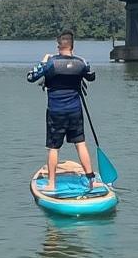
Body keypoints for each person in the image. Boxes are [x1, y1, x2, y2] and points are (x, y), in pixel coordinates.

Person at [26, 31, 100, 195]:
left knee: (53, 148)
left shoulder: (51, 63)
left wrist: (43, 61)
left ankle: (52, 184)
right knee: (80, 143)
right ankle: (91, 181)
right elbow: (92, 76)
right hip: (75, 110)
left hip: (56, 112)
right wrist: (79, 61)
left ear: (58, 45)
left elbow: (30, 76)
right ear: (72, 46)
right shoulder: (81, 62)